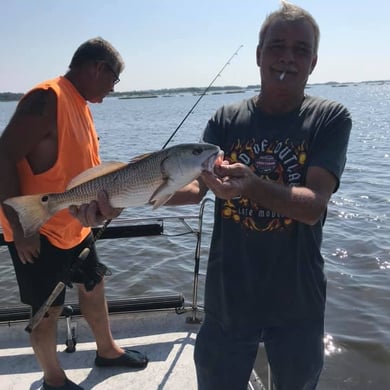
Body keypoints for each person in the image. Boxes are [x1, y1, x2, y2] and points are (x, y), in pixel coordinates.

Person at [75, 3, 352, 390]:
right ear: (258, 55)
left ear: (314, 61)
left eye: (300, 49)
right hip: (228, 296)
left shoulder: (330, 118)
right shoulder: (226, 120)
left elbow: (313, 206)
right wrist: (119, 199)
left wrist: (252, 185)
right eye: (276, 46)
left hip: (298, 301)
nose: (287, 56)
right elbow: (193, 189)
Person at [0, 37, 148, 390]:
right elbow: (2, 156)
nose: (113, 89)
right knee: (46, 310)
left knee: (93, 286)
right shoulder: (47, 97)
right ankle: (53, 379)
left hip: (77, 226)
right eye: (114, 80)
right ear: (98, 67)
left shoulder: (81, 103)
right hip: (39, 229)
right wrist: (21, 229)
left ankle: (107, 350)